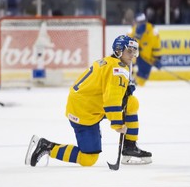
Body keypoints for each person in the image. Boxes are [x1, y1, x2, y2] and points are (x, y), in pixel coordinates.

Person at [25, 35, 152, 167]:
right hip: (84, 111)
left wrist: (124, 89)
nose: (132, 55)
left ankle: (130, 147)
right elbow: (111, 99)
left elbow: (105, 87)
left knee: (131, 102)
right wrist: (117, 124)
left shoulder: (109, 61)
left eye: (134, 51)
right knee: (88, 159)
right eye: (129, 51)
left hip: (85, 104)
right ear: (119, 50)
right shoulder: (118, 69)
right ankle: (47, 147)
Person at [127, 13, 162, 86]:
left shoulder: (152, 30)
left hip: (146, 57)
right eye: (139, 22)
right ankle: (129, 80)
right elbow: (129, 45)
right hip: (133, 55)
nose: (141, 24)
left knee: (142, 79)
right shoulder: (132, 30)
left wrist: (156, 58)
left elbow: (156, 45)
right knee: (127, 68)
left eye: (143, 22)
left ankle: (135, 82)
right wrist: (137, 36)